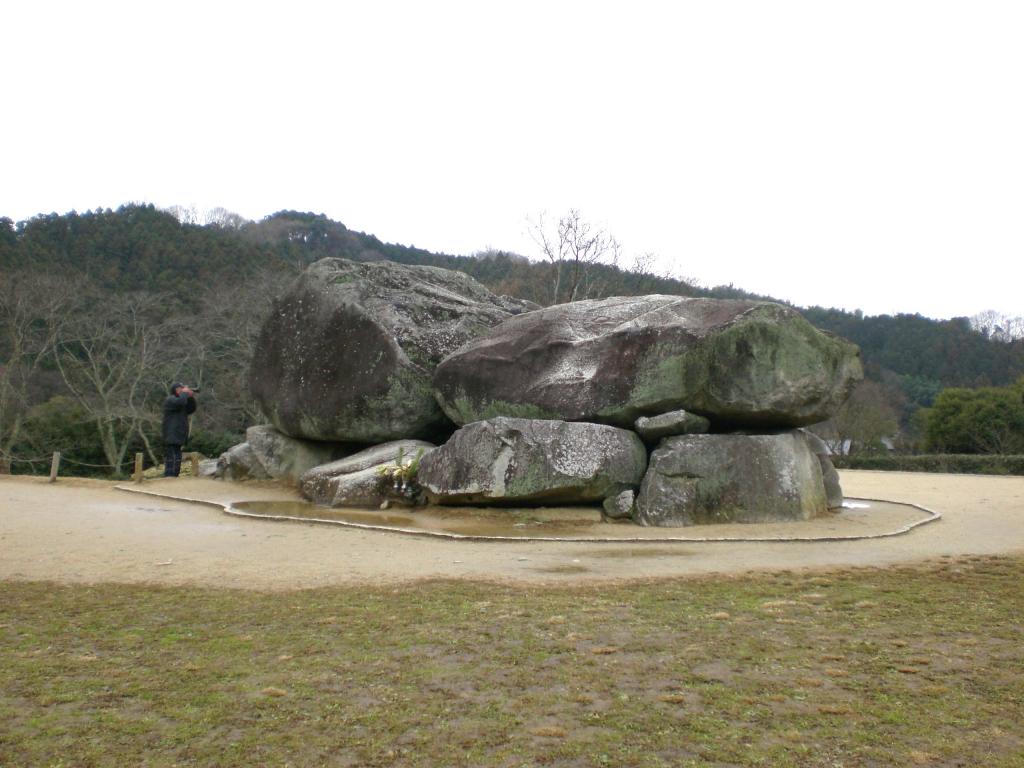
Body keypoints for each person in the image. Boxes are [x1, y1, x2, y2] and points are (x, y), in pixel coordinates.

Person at [162, 383, 197, 477]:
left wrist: (190, 397)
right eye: (180, 388)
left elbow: (191, 409)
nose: (182, 390)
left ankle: (175, 475)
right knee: (172, 455)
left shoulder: (182, 400)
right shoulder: (171, 399)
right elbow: (180, 402)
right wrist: (185, 394)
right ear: (175, 389)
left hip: (180, 433)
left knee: (177, 456)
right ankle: (169, 475)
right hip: (171, 432)